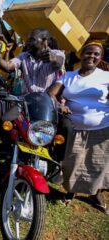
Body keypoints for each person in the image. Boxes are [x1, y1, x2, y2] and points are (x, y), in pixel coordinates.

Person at [49, 42, 109, 214]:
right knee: (72, 162)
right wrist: (59, 106)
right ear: (81, 55)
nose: (92, 56)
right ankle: (71, 191)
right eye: (88, 52)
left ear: (101, 58)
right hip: (74, 127)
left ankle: (95, 194)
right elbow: (51, 93)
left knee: (98, 164)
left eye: (96, 54)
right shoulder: (68, 76)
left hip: (102, 128)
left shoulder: (106, 77)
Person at [0, 28, 65, 95]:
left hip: (47, 104)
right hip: (28, 103)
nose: (28, 42)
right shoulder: (23, 56)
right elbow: (8, 66)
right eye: (28, 39)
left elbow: (59, 62)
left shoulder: (56, 54)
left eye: (32, 39)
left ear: (44, 41)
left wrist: (53, 58)